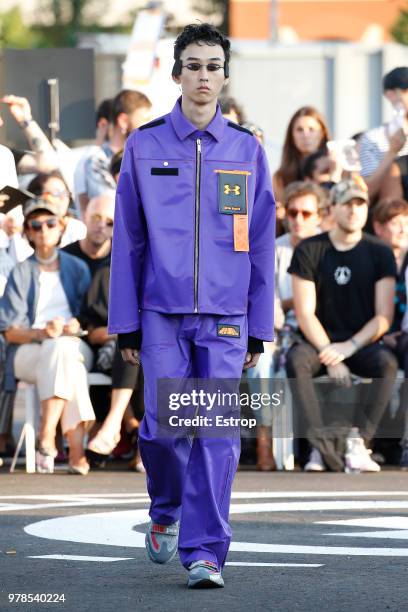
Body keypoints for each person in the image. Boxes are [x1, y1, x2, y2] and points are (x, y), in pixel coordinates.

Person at [108, 23, 275, 589]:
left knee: (216, 435)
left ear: (224, 76)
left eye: (213, 66)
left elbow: (261, 242)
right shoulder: (145, 143)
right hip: (160, 311)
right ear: (176, 73)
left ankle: (205, 552)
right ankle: (166, 509)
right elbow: (128, 238)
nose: (204, 76)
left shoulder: (247, 149)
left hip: (225, 318)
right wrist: (126, 321)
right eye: (194, 65)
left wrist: (257, 326)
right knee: (159, 429)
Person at [286, 176, 398, 473]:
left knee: (386, 363)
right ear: (332, 209)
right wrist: (330, 353)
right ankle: (318, 448)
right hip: (318, 341)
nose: (353, 211)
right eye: (346, 204)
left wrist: (348, 348)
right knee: (296, 359)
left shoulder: (380, 252)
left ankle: (359, 442)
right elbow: (304, 311)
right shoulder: (310, 249)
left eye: (359, 204)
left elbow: (383, 316)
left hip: (359, 342)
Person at [0, 197, 95, 474]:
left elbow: (91, 315)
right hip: (29, 351)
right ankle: (74, 451)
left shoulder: (77, 268)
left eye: (50, 223)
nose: (43, 230)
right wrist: (42, 332)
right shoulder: (20, 272)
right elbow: (9, 332)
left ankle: (47, 436)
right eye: (36, 225)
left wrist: (76, 326)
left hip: (74, 345)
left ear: (61, 227)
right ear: (27, 232)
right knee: (61, 353)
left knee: (63, 350)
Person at [76, 90, 152, 214]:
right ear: (123, 121)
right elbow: (112, 209)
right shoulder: (97, 161)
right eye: (145, 119)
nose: (150, 126)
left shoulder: (144, 159)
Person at [359, 67, 408, 200]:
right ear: (389, 95)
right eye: (405, 91)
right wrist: (391, 152)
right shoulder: (373, 139)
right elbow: (365, 192)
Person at [273, 106, 331, 205]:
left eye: (311, 129)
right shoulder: (280, 178)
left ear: (322, 133)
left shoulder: (335, 169)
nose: (306, 135)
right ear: (291, 136)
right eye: (300, 130)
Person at [27, 171, 87, 247]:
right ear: (38, 197)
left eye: (65, 193)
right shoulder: (26, 228)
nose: (62, 198)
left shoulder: (78, 229)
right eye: (56, 194)